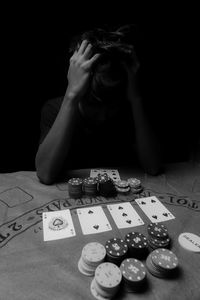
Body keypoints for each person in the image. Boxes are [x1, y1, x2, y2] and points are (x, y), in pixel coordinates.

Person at [35, 25, 162, 184]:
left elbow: (153, 167)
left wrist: (135, 98)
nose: (102, 116)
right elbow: (45, 173)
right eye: (94, 107)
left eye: (111, 107)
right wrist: (71, 95)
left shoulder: (130, 109)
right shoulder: (54, 109)